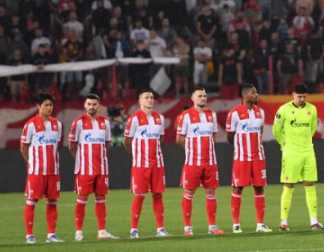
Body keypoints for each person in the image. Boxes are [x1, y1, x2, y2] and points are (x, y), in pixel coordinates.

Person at [272, 83, 324, 231]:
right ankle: (284, 221)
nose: (301, 99)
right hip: (291, 152)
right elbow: (277, 130)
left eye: (304, 97)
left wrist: (305, 141)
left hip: (308, 151)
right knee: (289, 185)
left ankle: (314, 221)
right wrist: (285, 143)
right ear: (293, 95)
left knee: (310, 184)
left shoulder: (312, 109)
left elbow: (313, 128)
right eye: (299, 96)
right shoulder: (284, 109)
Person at [176, 87, 225, 236]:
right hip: (192, 162)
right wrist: (191, 150)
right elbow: (179, 139)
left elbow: (214, 135)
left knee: (211, 192)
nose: (203, 98)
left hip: (210, 161)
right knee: (189, 192)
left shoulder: (212, 115)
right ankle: (188, 228)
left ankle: (212, 227)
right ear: (192, 99)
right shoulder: (185, 116)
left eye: (204, 96)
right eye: (199, 96)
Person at [68, 93, 117, 242]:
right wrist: (82, 159)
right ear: (84, 105)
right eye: (89, 104)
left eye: (94, 104)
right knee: (82, 198)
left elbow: (107, 143)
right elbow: (72, 146)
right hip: (84, 169)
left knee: (101, 198)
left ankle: (102, 231)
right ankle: (78, 232)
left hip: (101, 168)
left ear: (99, 105)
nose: (91, 107)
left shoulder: (105, 122)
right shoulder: (78, 123)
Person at [226, 83, 271, 234]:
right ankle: (236, 225)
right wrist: (241, 147)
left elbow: (261, 131)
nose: (256, 95)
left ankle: (260, 224)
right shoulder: (234, 114)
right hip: (242, 157)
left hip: (258, 156)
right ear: (245, 95)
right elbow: (230, 137)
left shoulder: (260, 112)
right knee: (238, 187)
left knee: (259, 187)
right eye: (253, 92)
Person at [123, 89, 169, 238]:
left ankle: (161, 229)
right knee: (139, 195)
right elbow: (127, 141)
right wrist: (136, 155)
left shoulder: (160, 118)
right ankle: (134, 230)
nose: (150, 100)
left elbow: (160, 138)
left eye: (151, 97)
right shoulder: (134, 119)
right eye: (146, 98)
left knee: (158, 195)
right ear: (140, 101)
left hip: (157, 163)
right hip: (140, 164)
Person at [20, 92, 63, 243]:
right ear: (38, 106)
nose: (49, 108)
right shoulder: (30, 125)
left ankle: (51, 235)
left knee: (52, 202)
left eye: (51, 105)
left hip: (53, 171)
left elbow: (56, 146)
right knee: (32, 202)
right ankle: (29, 236)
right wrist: (31, 163)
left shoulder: (57, 125)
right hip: (36, 171)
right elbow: (23, 147)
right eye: (46, 105)